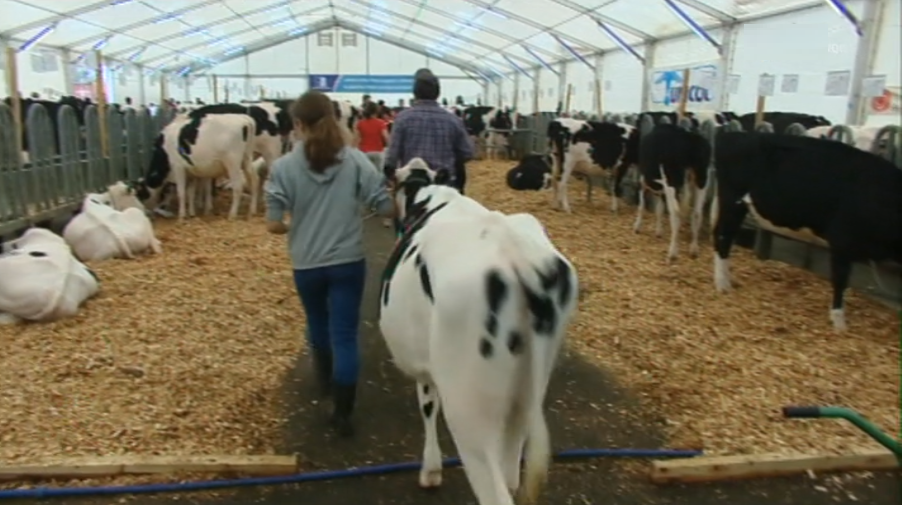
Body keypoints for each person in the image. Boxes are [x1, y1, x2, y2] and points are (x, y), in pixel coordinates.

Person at [264, 90, 396, 437]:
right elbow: (384, 207)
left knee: (318, 325)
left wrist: (296, 226)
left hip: (306, 263)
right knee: (345, 334)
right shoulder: (354, 161)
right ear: (334, 119)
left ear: (296, 124)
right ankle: (343, 412)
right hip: (348, 261)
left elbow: (273, 223)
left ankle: (323, 386)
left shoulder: (282, 167)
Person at [385, 68, 473, 193]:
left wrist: (391, 177)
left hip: (411, 188)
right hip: (444, 187)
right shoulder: (453, 120)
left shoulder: (402, 118)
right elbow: (467, 153)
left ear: (415, 92)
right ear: (438, 93)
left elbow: (392, 156)